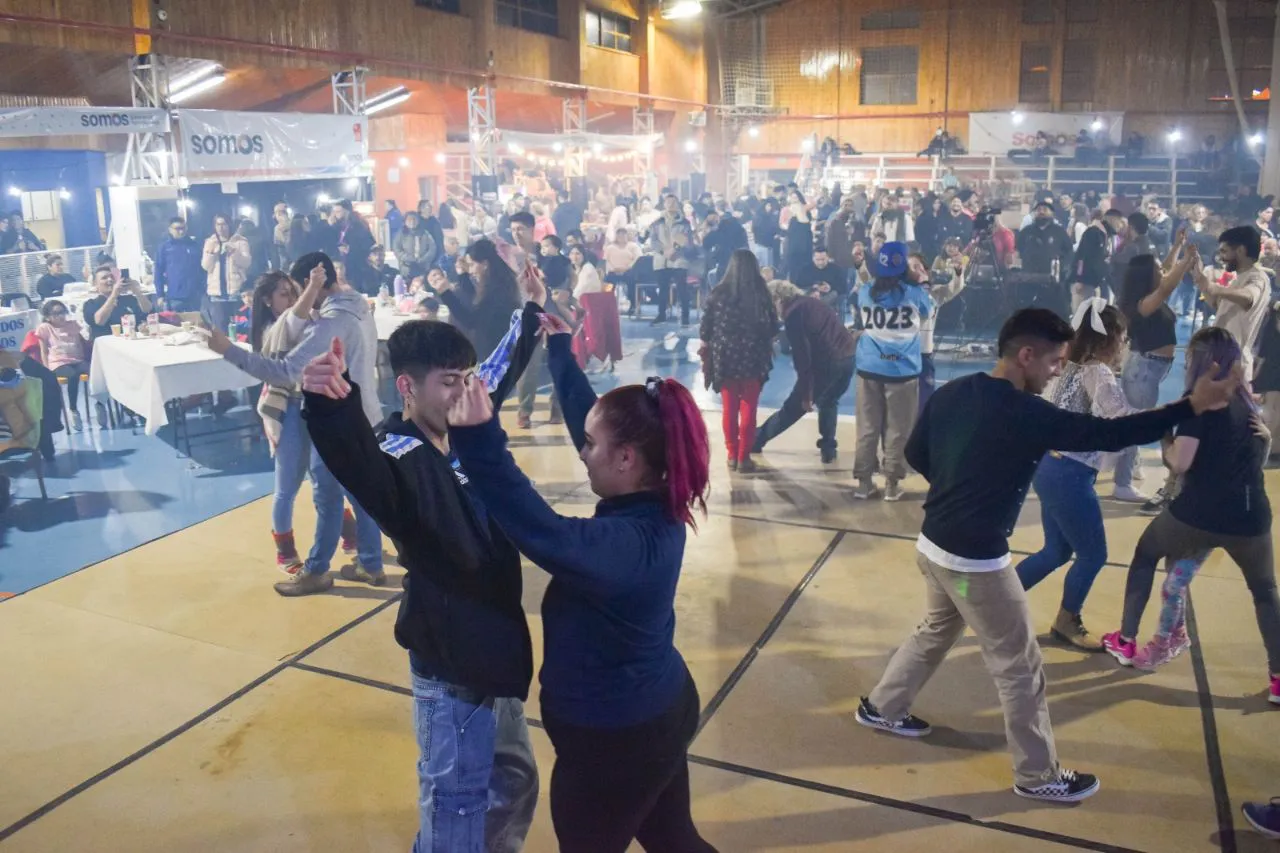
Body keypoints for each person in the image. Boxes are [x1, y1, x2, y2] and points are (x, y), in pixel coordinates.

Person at [857, 308, 1242, 804]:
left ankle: (883, 707)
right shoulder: (1027, 415)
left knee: (936, 628)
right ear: (1026, 356)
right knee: (1019, 665)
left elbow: (915, 454)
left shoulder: (954, 391)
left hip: (933, 546)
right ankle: (1038, 776)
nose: (1060, 369)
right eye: (1056, 361)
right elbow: (1109, 435)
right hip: (976, 567)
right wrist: (1189, 406)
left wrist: (958, 491)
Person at [446, 311, 717, 853]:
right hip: (653, 711)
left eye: (591, 446)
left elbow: (542, 531)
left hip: (617, 739)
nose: (582, 451)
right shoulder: (655, 494)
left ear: (625, 458)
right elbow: (592, 426)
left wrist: (480, 445)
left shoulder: (627, 548)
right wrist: (561, 353)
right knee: (672, 838)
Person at [299, 306, 547, 853]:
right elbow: (361, 464)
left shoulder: (460, 434)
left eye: (465, 378)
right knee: (456, 809)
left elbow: (494, 377)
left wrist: (528, 320)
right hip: (452, 663)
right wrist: (330, 406)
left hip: (496, 653)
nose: (463, 393)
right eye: (449, 382)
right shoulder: (398, 452)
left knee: (513, 784)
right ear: (407, 386)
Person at [1102, 327, 1279, 705]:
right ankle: (1278, 677)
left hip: (1200, 514)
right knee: (1263, 591)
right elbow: (1254, 457)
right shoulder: (1249, 402)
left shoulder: (1201, 405)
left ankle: (1127, 639)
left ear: (1198, 362)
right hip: (1251, 518)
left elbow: (1180, 463)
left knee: (1147, 553)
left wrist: (1165, 437)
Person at [204, 252, 385, 596]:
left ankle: (318, 570)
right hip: (363, 411)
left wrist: (227, 349)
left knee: (328, 493)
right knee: (356, 493)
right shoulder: (360, 307)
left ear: (310, 284)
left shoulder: (331, 323)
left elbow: (285, 371)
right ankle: (370, 563)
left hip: (337, 420)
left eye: (297, 290)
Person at [1015, 300, 1138, 650]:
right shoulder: (1096, 371)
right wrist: (1166, 419)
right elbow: (1122, 417)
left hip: (1049, 467)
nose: (1124, 344)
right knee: (1093, 555)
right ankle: (1067, 620)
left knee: (1055, 550)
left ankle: (990, 602)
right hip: (1070, 472)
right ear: (1109, 337)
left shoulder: (1065, 366)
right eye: (1123, 336)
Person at [246, 268, 326, 573]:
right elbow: (292, 320)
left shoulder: (309, 321)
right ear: (267, 301)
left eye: (293, 292)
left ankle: (347, 533)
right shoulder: (272, 330)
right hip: (288, 408)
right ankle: (285, 549)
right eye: (284, 293)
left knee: (327, 477)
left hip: (317, 402)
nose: (292, 299)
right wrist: (314, 285)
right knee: (287, 484)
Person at [1111, 246, 1194, 506]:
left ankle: (1131, 468)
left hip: (1147, 369)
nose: (1163, 270)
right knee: (1138, 427)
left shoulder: (1145, 297)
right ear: (1147, 276)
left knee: (1138, 421)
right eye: (1157, 269)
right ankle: (1121, 484)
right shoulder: (1144, 304)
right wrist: (1187, 261)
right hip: (1143, 371)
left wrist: (1177, 250)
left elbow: (1165, 272)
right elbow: (1167, 284)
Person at [851, 242, 931, 501]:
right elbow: (928, 313)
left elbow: (864, 290)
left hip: (868, 368)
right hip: (902, 372)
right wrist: (921, 282)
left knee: (867, 427)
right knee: (898, 429)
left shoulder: (866, 292)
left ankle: (863, 483)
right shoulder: (915, 294)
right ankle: (892, 484)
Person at [753, 280, 855, 464]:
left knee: (792, 409)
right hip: (848, 358)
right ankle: (828, 448)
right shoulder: (813, 303)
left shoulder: (794, 315)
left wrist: (806, 393)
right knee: (829, 401)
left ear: (778, 299)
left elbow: (803, 358)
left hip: (826, 364)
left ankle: (757, 439)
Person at [698, 250, 778, 474]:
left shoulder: (718, 293)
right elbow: (773, 327)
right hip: (753, 358)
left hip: (725, 359)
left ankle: (732, 454)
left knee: (729, 408)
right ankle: (744, 458)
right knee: (749, 408)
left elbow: (705, 328)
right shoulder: (761, 293)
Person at [1194, 225, 1271, 381]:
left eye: (1224, 251)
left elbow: (1249, 297)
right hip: (1222, 361)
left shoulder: (1258, 277)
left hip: (1233, 367)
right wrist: (1198, 274)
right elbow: (1217, 305)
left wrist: (1217, 289)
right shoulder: (1238, 278)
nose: (1220, 257)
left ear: (1241, 250)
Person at [437, 237, 523, 361]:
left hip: (496, 354)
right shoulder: (495, 283)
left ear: (485, 264)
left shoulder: (498, 290)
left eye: (472, 265)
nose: (471, 270)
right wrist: (463, 275)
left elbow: (471, 320)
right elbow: (474, 300)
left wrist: (446, 294)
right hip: (494, 350)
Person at [916, 249, 967, 415]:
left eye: (921, 268)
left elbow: (954, 288)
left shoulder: (934, 293)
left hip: (924, 354)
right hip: (903, 354)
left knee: (925, 400)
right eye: (913, 268)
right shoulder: (900, 294)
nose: (919, 272)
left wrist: (958, 272)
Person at [33, 299, 89, 431]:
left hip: (77, 360)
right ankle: (73, 410)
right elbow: (44, 350)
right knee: (73, 375)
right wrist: (46, 370)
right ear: (47, 316)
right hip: (58, 363)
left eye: (63, 312)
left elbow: (81, 343)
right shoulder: (45, 328)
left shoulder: (73, 325)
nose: (61, 316)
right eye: (56, 313)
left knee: (96, 371)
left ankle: (100, 403)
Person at [201, 213, 252, 333]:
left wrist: (234, 252)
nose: (221, 227)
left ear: (229, 225)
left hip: (235, 292)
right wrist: (212, 253)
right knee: (220, 328)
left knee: (238, 328)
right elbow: (205, 266)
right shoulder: (210, 242)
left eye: (224, 224)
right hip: (217, 293)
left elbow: (246, 263)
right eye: (218, 224)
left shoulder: (240, 241)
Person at [84, 263, 150, 343]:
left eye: (112, 277)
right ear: (95, 284)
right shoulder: (91, 304)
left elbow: (147, 310)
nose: (110, 280)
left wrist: (136, 290)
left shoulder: (129, 299)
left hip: (133, 343)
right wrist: (114, 294)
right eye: (104, 278)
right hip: (108, 346)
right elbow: (99, 321)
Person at [647, 194, 685, 325]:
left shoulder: (684, 222)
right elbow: (653, 241)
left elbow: (686, 239)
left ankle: (685, 315)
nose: (670, 205)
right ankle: (661, 314)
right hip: (661, 260)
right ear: (664, 204)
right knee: (662, 288)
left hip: (678, 259)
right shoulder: (657, 222)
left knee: (682, 287)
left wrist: (675, 250)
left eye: (673, 202)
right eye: (668, 202)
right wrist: (664, 251)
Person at [155, 217, 205, 312]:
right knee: (177, 325)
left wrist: (203, 289)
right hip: (175, 296)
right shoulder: (164, 248)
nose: (181, 231)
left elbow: (203, 269)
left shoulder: (194, 245)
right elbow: (158, 272)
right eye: (177, 229)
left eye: (183, 228)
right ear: (170, 230)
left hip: (195, 296)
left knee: (197, 324)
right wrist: (160, 295)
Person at [1017, 200, 1074, 279]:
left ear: (1052, 213)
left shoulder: (1059, 231)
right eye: (1038, 210)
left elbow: (1068, 251)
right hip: (1029, 277)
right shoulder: (1026, 231)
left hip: (1053, 278)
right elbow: (1019, 248)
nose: (1041, 212)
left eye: (1045, 209)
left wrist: (1063, 267)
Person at [794, 246, 848, 311]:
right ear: (813, 258)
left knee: (834, 293)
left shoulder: (837, 269)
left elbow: (843, 287)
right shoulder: (805, 270)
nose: (820, 262)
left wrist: (830, 287)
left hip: (829, 296)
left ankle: (817, 306)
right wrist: (814, 287)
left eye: (823, 259)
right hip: (810, 293)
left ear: (828, 258)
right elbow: (798, 285)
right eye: (818, 260)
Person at [395, 211, 439, 280]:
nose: (412, 221)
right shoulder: (401, 234)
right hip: (407, 267)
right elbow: (397, 249)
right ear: (405, 221)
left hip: (423, 267)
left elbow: (432, 248)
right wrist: (409, 258)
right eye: (409, 219)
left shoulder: (425, 233)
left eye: (414, 219)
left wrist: (424, 259)